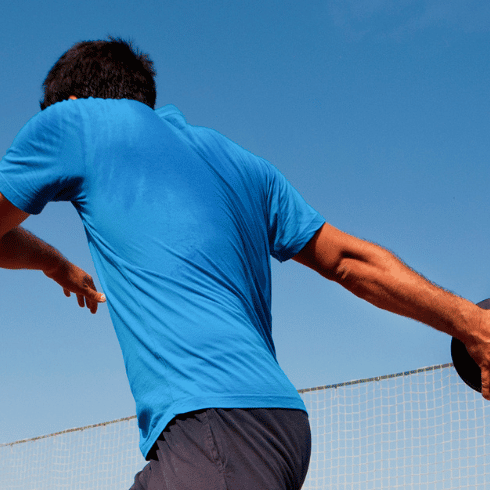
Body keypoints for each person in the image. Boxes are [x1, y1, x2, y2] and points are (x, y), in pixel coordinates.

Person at [0, 38, 489, 490]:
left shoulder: (75, 121)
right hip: (276, 426)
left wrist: (53, 264)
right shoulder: (241, 162)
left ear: (70, 101)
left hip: (214, 429)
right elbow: (349, 261)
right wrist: (470, 321)